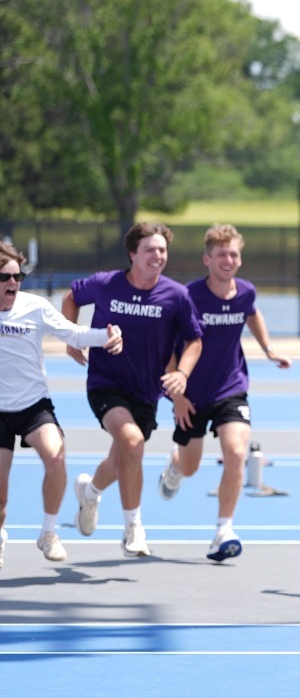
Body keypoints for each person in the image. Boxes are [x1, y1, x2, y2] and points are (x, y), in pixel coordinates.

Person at [63, 222, 202, 558]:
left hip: (147, 390)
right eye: (150, 250)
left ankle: (90, 492)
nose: (158, 256)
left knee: (123, 456)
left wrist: (182, 373)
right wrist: (72, 336)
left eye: (162, 250)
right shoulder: (105, 284)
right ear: (132, 254)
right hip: (105, 383)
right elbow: (71, 297)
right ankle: (133, 528)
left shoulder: (176, 295)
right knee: (133, 443)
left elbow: (195, 339)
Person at [159, 225, 292, 562]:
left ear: (240, 258)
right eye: (221, 254)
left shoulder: (245, 292)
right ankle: (175, 465)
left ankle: (223, 530)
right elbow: (167, 347)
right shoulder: (188, 297)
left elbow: (252, 313)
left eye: (233, 254)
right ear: (207, 259)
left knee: (235, 452)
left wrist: (268, 349)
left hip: (231, 388)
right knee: (191, 466)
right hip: (190, 394)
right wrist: (176, 394)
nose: (228, 260)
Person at [0, 242, 121, 566]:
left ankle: (48, 532)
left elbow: (75, 334)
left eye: (18, 276)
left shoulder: (34, 307)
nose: (12, 283)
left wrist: (105, 336)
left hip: (32, 406)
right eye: (4, 277)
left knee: (56, 455)